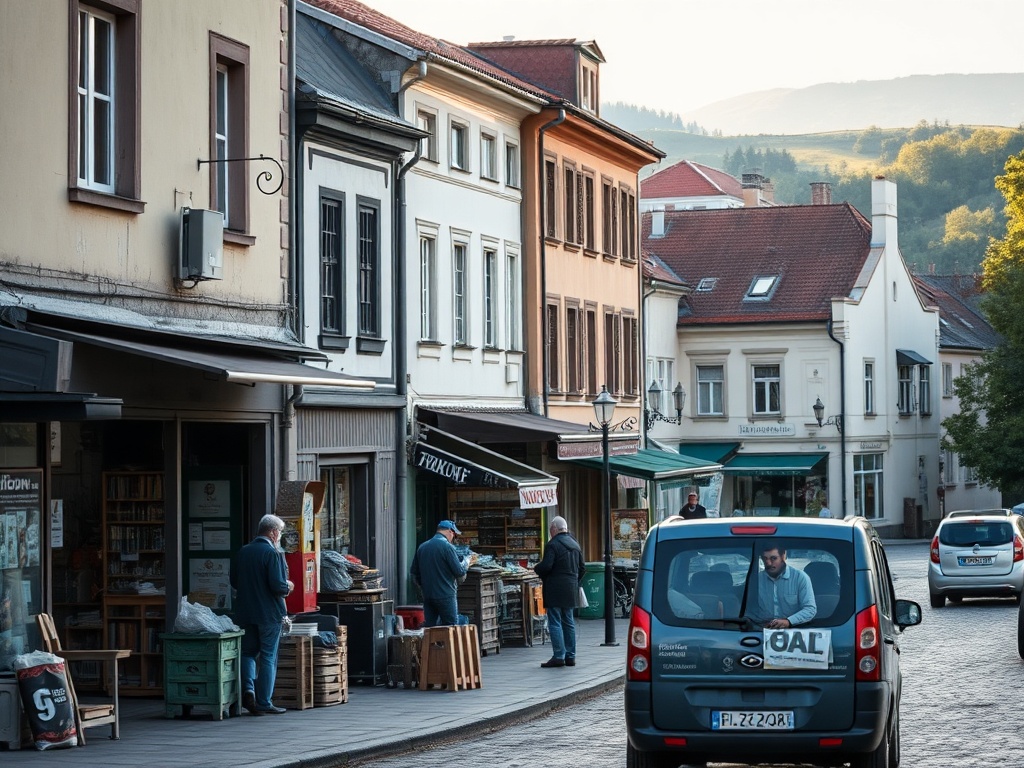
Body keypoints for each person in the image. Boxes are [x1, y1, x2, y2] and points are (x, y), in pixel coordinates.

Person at [232, 513, 293, 716]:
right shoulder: (272, 553)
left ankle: (248, 690)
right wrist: (289, 586)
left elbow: (234, 581)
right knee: (268, 656)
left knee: (248, 652)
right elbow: (278, 586)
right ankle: (264, 701)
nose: (280, 536)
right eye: (280, 532)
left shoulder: (243, 552)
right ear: (274, 532)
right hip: (269, 614)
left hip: (244, 612)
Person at [533, 515, 585, 668]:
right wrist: (574, 581)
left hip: (555, 588)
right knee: (568, 621)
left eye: (550, 529)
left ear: (555, 529)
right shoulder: (575, 544)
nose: (550, 532)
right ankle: (570, 656)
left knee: (555, 621)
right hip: (570, 588)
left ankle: (558, 655)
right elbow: (582, 568)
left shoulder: (553, 544)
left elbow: (547, 566)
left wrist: (537, 569)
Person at [410, 520, 469, 627]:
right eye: (454, 535)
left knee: (430, 629)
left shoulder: (422, 547)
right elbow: (459, 571)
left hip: (428, 596)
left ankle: (433, 644)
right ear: (450, 532)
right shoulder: (447, 547)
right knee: (450, 628)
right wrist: (466, 562)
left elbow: (414, 574)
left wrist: (423, 590)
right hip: (446, 595)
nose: (453, 538)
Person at [749, 541, 816, 628]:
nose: (768, 563)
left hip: (793, 631)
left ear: (783, 556)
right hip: (759, 631)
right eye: (765, 558)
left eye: (773, 558)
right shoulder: (756, 580)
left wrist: (789, 621)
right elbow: (749, 609)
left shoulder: (800, 577)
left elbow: (810, 609)